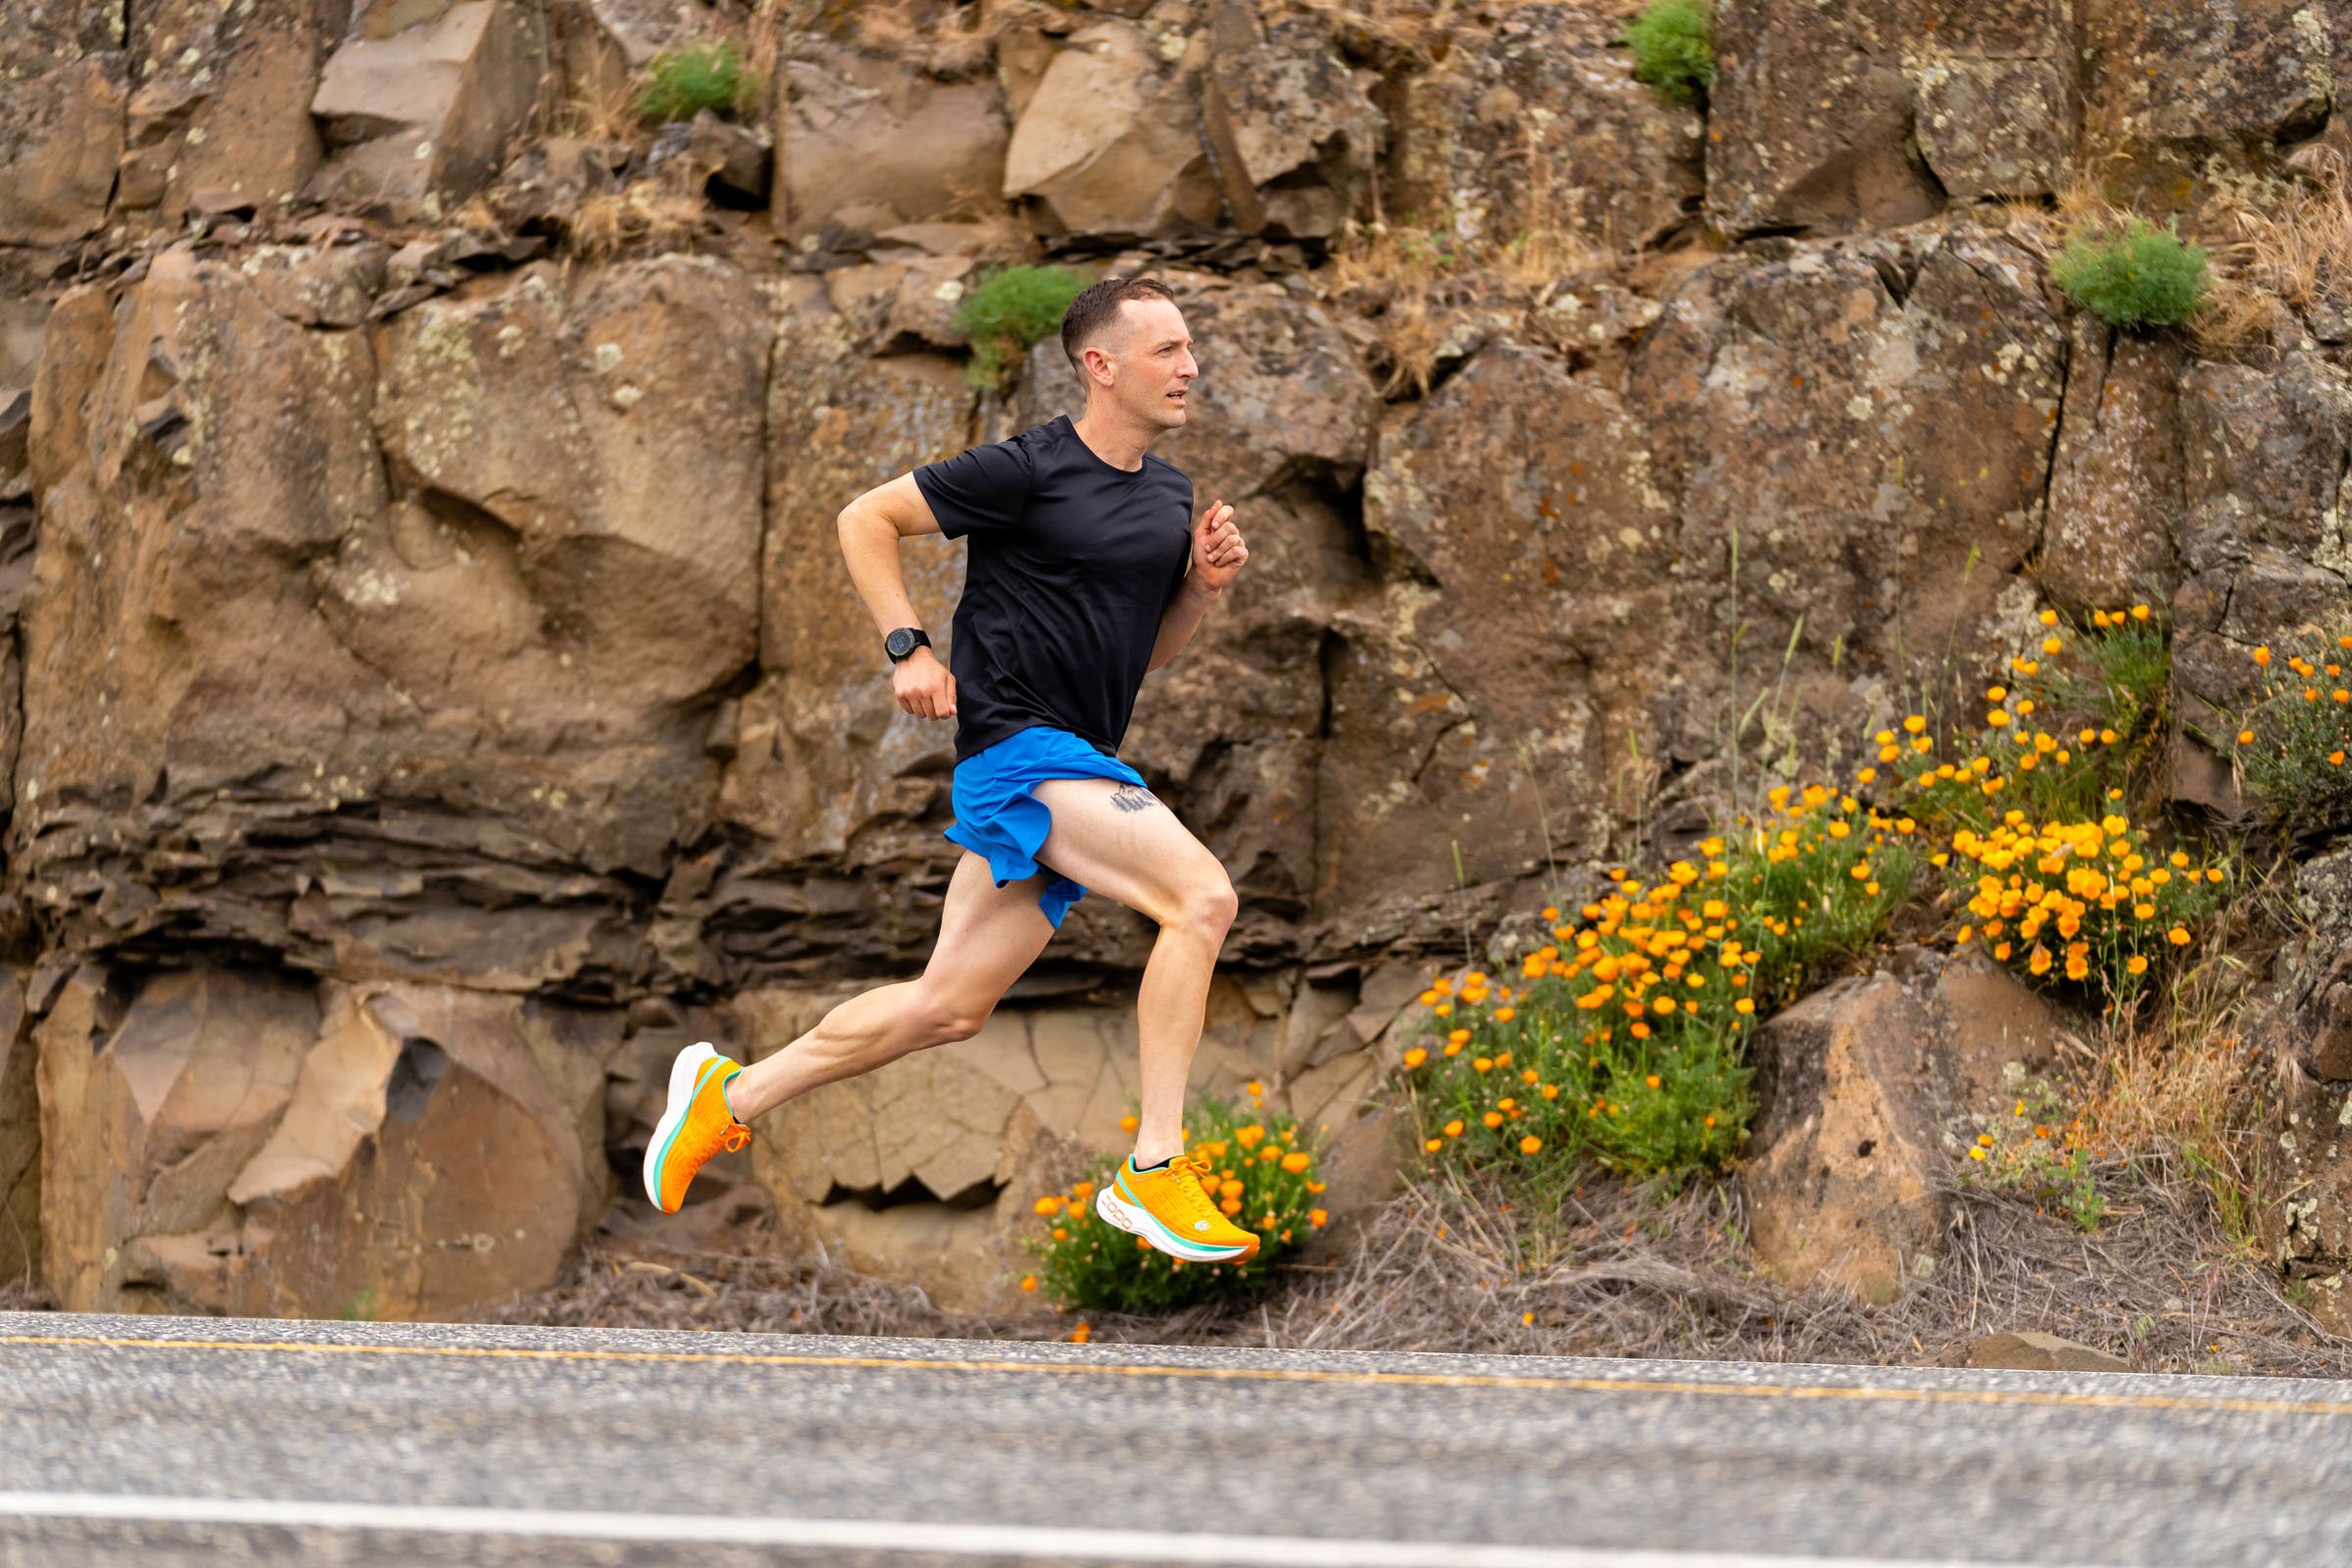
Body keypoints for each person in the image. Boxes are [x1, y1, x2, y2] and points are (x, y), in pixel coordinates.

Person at [644, 275, 1265, 1263]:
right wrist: (910, 648)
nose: (1191, 367)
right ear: (1101, 366)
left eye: (1190, 349)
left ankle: (733, 1093)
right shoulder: (1027, 469)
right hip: (1017, 751)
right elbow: (865, 518)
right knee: (1202, 898)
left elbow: (1140, 654)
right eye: (1168, 351)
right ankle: (1155, 1169)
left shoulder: (1168, 497)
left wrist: (1202, 588)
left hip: (1078, 759)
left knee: (949, 1006)